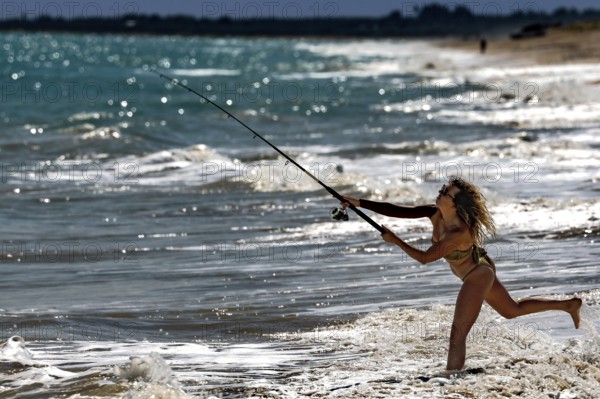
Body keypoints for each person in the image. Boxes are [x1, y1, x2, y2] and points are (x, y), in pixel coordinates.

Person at [342, 176, 582, 371]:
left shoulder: (459, 232)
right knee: (512, 310)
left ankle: (451, 381)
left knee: (457, 334)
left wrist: (396, 241)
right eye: (443, 188)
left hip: (478, 274)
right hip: (480, 265)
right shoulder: (435, 213)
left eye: (446, 192)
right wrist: (358, 203)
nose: (440, 192)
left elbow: (426, 258)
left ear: (455, 204)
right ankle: (567, 305)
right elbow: (397, 210)